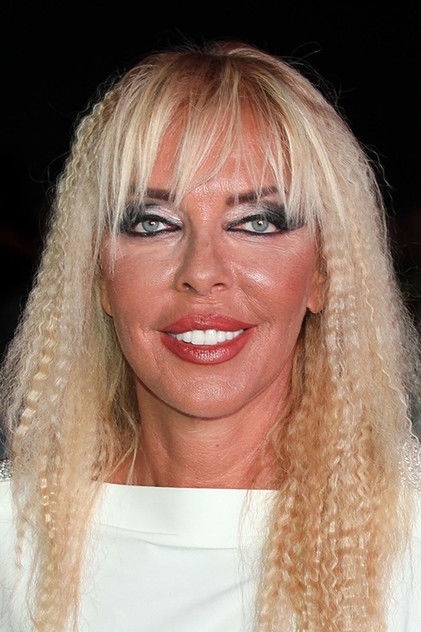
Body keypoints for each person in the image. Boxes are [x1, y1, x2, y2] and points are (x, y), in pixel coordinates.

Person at [0, 41, 420, 632]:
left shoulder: (408, 541)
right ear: (98, 276)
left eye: (256, 222)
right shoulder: (15, 540)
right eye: (153, 222)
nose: (201, 271)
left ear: (324, 272)